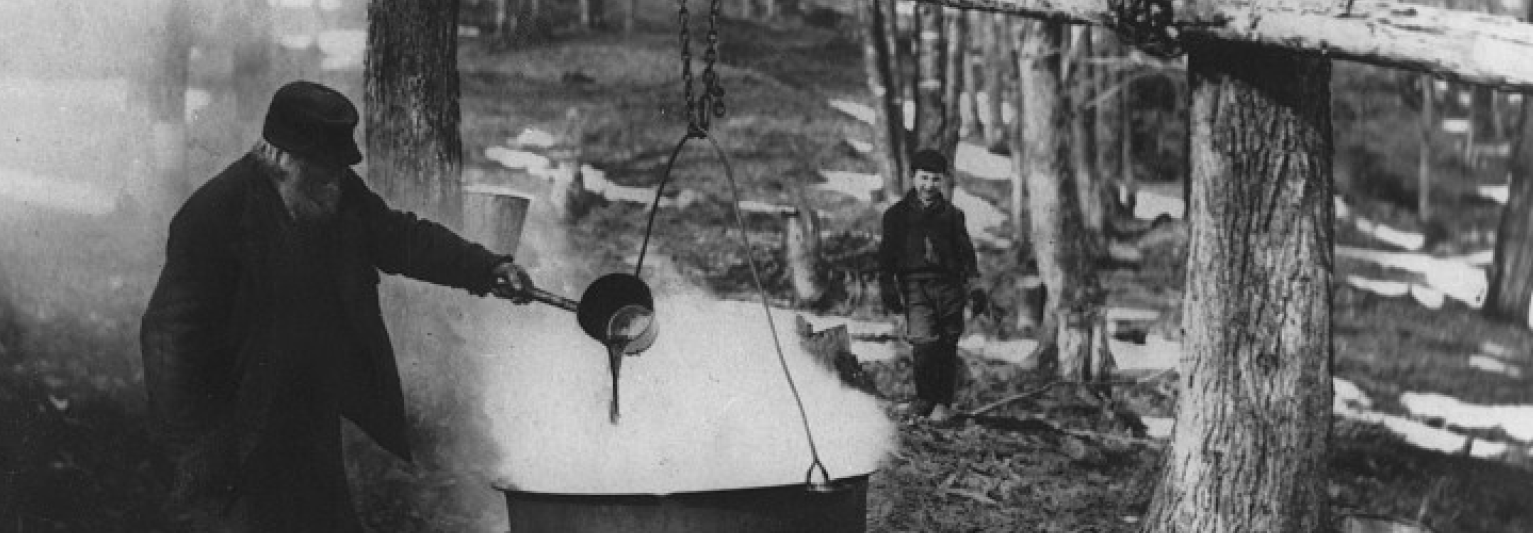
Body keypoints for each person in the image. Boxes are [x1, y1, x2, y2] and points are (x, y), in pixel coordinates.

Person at [140, 80, 535, 532]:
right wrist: (197, 452)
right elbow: (168, 339)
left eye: (338, 172)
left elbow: (401, 237)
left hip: (307, 420)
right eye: (324, 172)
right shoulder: (214, 216)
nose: (335, 185)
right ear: (281, 160)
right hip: (236, 431)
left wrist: (487, 269)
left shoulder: (332, 193)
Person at [878, 149, 979, 423]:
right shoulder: (896, 216)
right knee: (923, 344)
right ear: (913, 177)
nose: (929, 185)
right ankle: (924, 398)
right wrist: (887, 286)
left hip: (949, 289)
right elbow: (886, 256)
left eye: (935, 179)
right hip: (915, 286)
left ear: (943, 181)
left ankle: (942, 403)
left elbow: (967, 255)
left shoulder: (952, 216)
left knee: (947, 345)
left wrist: (974, 287)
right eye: (924, 178)